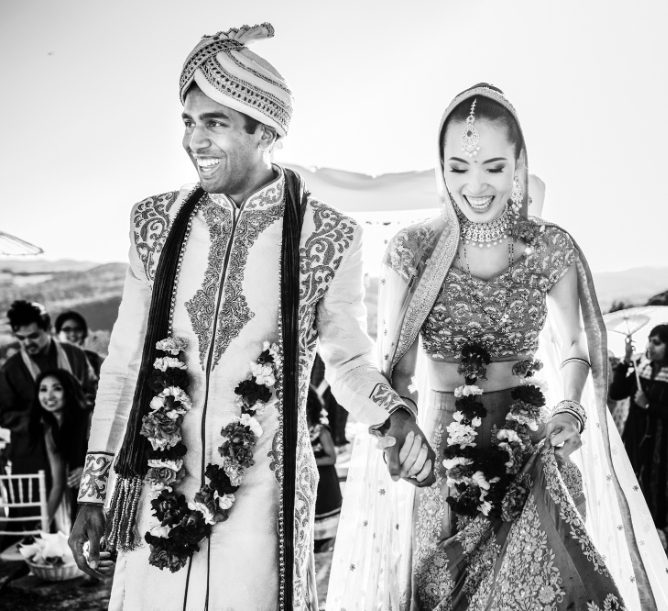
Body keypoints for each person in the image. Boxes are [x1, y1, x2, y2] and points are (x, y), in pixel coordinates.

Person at [66, 24, 431, 611]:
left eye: (215, 123)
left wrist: (394, 416)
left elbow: (347, 361)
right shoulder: (154, 224)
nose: (194, 140)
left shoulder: (327, 235)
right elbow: (125, 364)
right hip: (157, 483)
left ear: (266, 131)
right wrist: (94, 486)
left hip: (264, 494)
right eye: (188, 121)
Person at [328, 84, 668, 611]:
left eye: (493, 167)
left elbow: (573, 342)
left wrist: (569, 406)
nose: (475, 186)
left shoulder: (548, 246)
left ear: (519, 163)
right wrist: (399, 437)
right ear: (441, 167)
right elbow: (399, 373)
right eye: (458, 167)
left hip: (531, 444)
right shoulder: (413, 250)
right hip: (444, 451)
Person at [610, 323, 668, 547]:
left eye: (657, 342)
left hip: (663, 444)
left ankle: (662, 540)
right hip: (635, 438)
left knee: (660, 488)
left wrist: (649, 406)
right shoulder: (642, 367)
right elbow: (616, 393)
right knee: (633, 483)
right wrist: (626, 361)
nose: (650, 346)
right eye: (649, 340)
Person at [0, 301, 96, 480]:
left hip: (78, 447)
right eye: (21, 338)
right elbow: (4, 413)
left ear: (48, 329)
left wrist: (74, 409)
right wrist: (39, 419)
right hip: (34, 453)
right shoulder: (11, 369)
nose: (27, 342)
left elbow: (94, 392)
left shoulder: (75, 354)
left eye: (33, 336)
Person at [28, 369, 91, 529]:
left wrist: (90, 470)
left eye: (57, 388)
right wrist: (43, 523)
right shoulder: (50, 432)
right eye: (43, 389)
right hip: (78, 500)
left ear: (68, 391)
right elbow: (58, 484)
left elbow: (117, 452)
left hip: (102, 498)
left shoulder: (90, 417)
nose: (49, 396)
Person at [306, 387, 342, 547]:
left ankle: (327, 545)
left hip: (325, 481)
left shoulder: (320, 430)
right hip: (308, 481)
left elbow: (332, 458)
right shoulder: (297, 432)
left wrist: (308, 462)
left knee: (324, 508)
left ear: (310, 407)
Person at [55, 310, 105, 377]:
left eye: (77, 329)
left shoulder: (98, 361)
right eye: (67, 329)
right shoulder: (51, 360)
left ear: (84, 334)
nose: (72, 334)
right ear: (57, 334)